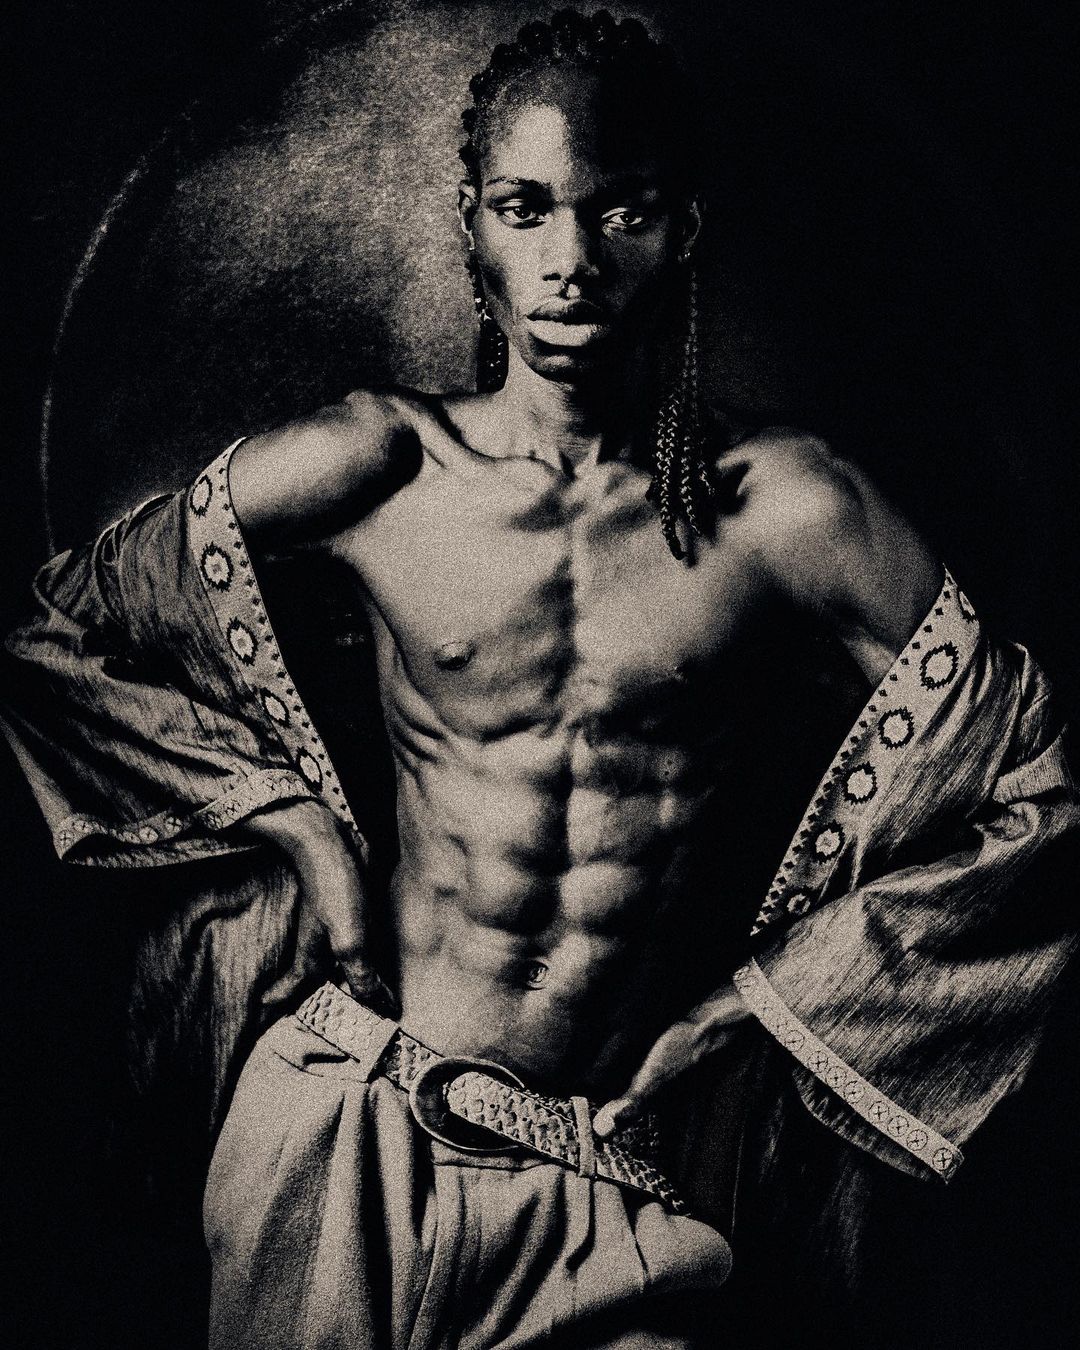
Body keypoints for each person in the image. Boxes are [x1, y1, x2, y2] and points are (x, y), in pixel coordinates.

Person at [3, 9, 1077, 1347]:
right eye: (526, 209)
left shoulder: (786, 512)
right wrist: (294, 828)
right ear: (473, 228)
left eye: (621, 212)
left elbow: (1041, 789)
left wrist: (759, 1008)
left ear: (683, 230)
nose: (572, 261)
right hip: (348, 1131)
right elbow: (57, 631)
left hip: (601, 1168)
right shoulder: (381, 468)